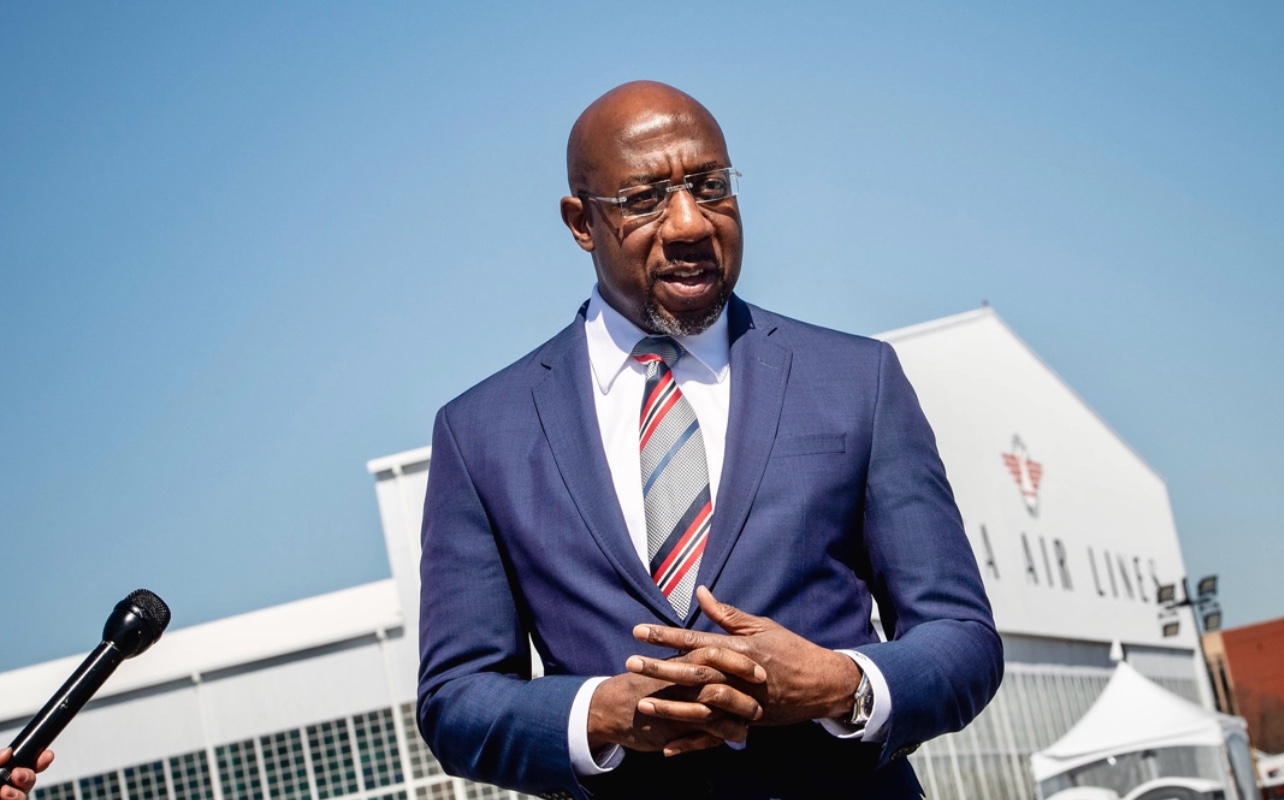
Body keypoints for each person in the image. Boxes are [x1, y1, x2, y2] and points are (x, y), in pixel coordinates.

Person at [416, 80, 1003, 799]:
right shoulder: (481, 434)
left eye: (711, 186)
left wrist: (839, 683)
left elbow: (962, 637)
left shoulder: (858, 381)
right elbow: (455, 701)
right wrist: (599, 714)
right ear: (579, 222)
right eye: (645, 199)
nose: (691, 222)